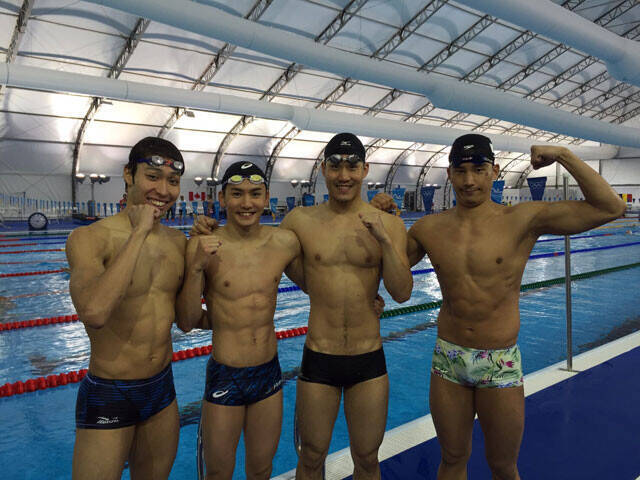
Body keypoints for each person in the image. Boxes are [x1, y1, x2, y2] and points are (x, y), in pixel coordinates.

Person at [371, 133, 626, 480]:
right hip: (449, 359)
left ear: (495, 171)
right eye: (461, 171)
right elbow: (391, 277)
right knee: (452, 459)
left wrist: (563, 154)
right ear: (449, 174)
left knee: (503, 466)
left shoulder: (522, 219)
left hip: (499, 360)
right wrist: (378, 219)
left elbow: (611, 207)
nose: (469, 181)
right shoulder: (429, 228)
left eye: (479, 170)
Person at [283, 132, 412, 480]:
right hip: (319, 355)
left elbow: (402, 293)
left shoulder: (389, 224)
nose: (344, 176)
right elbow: (267, 260)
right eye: (336, 166)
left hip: (367, 357)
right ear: (323, 169)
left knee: (367, 459)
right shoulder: (299, 221)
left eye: (352, 167)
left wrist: (384, 241)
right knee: (311, 457)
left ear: (365, 170)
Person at [66, 137, 196, 480]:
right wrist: (139, 233)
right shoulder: (90, 238)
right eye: (152, 177)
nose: (163, 190)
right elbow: (94, 312)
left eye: (172, 181)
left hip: (161, 390)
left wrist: (198, 264)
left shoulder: (177, 243)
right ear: (128, 174)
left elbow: (186, 321)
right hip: (110, 391)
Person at [176, 161, 305, 480]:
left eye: (254, 194)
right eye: (236, 194)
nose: (246, 203)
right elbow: (187, 321)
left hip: (269, 372)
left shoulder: (284, 243)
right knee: (218, 473)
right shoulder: (202, 246)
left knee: (261, 469)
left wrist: (369, 294)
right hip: (226, 374)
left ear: (266, 198)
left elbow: (322, 280)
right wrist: (196, 267)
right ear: (222, 198)